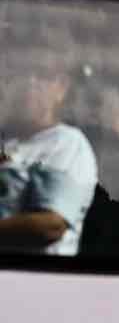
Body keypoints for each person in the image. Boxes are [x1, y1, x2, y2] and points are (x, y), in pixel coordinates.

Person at [0, 49, 98, 256]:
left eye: (42, 75)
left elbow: (50, 226)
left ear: (60, 88)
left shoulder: (68, 144)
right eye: (20, 73)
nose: (30, 83)